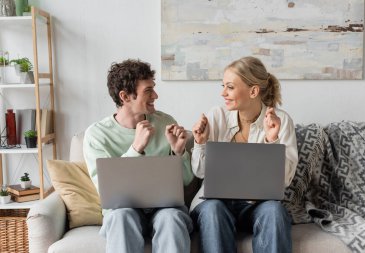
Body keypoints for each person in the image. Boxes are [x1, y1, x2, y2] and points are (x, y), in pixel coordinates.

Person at [83, 59, 194, 253]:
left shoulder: (165, 122)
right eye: (148, 91)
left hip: (164, 209)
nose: (155, 95)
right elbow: (106, 190)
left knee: (172, 218)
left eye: (154, 88)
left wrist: (179, 152)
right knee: (121, 217)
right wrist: (136, 148)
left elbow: (185, 181)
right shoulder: (97, 135)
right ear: (125, 96)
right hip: (123, 212)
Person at [190, 56, 298, 253]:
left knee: (274, 212)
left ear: (253, 91)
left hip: (257, 206)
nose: (223, 93)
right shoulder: (217, 116)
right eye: (223, 86)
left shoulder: (280, 121)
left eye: (230, 87)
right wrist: (200, 142)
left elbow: (284, 181)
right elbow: (199, 172)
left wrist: (272, 141)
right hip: (215, 204)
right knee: (213, 210)